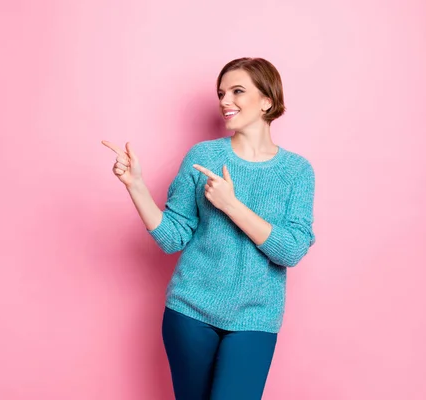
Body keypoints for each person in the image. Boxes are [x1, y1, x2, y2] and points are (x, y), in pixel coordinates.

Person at [102, 57, 316, 400]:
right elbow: (173, 238)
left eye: (237, 91)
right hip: (189, 312)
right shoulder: (203, 156)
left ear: (267, 100)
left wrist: (231, 204)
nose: (224, 101)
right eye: (221, 93)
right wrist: (136, 185)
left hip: (255, 319)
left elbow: (291, 250)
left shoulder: (296, 171)